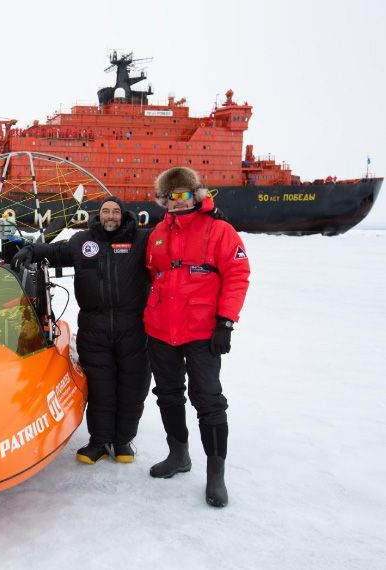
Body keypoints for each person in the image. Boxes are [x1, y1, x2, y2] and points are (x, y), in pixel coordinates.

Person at [11, 196, 151, 464]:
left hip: (133, 327)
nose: (110, 216)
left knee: (132, 387)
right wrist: (31, 250)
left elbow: (172, 242)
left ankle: (123, 441)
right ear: (98, 216)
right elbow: (55, 252)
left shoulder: (140, 240)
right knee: (100, 387)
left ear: (123, 215)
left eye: (115, 212)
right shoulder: (82, 241)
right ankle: (98, 441)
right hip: (94, 328)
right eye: (105, 212)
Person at [144, 167, 250, 508]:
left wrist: (226, 322)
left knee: (208, 400)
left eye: (182, 194)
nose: (176, 202)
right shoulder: (158, 232)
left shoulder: (220, 230)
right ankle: (179, 455)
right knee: (168, 394)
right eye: (169, 196)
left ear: (197, 195)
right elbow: (153, 273)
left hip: (203, 331)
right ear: (162, 200)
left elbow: (237, 275)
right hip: (161, 330)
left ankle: (216, 475)